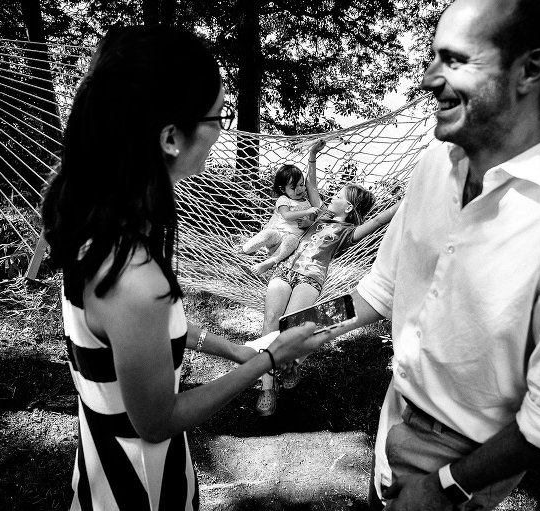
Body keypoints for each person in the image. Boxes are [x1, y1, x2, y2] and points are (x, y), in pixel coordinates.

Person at [322, 0, 540, 509]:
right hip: (393, 412)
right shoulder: (433, 164)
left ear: (529, 71)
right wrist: (289, 331)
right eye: (431, 58)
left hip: (462, 463)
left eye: (455, 61)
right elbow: (377, 291)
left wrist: (445, 486)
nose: (427, 80)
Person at [41, 25, 330, 511]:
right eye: (218, 117)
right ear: (172, 137)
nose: (222, 132)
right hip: (138, 486)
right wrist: (271, 358)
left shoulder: (99, 222)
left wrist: (232, 349)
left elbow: (149, 332)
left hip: (105, 465)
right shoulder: (134, 274)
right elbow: (156, 421)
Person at [255, 184, 400, 416]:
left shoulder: (348, 232)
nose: (332, 196)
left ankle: (293, 364)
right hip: (284, 269)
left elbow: (379, 220)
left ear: (349, 206)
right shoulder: (321, 214)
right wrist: (313, 156)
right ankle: (267, 387)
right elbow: (311, 185)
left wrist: (411, 197)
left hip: (310, 278)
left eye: (338, 195)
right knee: (271, 318)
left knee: (290, 325)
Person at [239, 141, 325, 275]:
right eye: (293, 187)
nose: (300, 189)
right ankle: (244, 250)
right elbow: (286, 216)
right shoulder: (284, 200)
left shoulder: (308, 203)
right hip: (277, 236)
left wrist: (309, 223)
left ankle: (267, 263)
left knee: (293, 240)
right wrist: (313, 153)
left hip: (287, 246)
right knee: (268, 234)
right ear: (282, 189)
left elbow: (311, 224)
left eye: (302, 185)